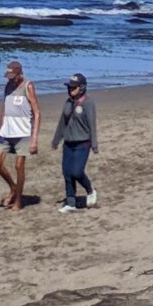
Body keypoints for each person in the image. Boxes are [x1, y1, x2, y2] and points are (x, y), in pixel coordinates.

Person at [0, 59, 40, 209]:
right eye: (8, 76)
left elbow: (37, 113)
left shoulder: (28, 86)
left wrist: (34, 139)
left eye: (12, 76)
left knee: (19, 166)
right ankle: (13, 187)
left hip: (23, 132)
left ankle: (18, 200)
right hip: (7, 131)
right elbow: (4, 107)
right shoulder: (8, 86)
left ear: (20, 73)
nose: (10, 79)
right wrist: (1, 127)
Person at [52, 72, 99, 211]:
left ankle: (90, 190)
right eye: (69, 87)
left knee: (77, 172)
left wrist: (94, 143)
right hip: (68, 143)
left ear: (82, 87)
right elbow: (62, 122)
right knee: (67, 173)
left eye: (74, 87)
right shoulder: (67, 103)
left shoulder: (88, 103)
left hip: (82, 143)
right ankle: (70, 202)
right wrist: (56, 140)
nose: (70, 89)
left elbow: (92, 125)